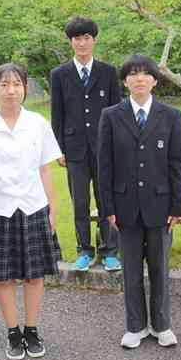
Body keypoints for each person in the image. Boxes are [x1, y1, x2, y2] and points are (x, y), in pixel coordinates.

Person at [0, 63, 62, 360]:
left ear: (25, 88)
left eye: (16, 83)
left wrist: (53, 210)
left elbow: (45, 170)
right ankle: (13, 332)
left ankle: (32, 329)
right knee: (4, 278)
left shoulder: (38, 123)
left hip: (33, 206)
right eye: (4, 84)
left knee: (35, 276)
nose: (11, 90)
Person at [98, 55, 181, 349]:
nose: (139, 78)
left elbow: (176, 165)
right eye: (132, 74)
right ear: (125, 82)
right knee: (131, 270)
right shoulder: (111, 116)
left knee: (160, 269)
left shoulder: (171, 116)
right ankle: (135, 326)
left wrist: (177, 207)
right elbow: (104, 166)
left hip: (160, 206)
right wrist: (107, 207)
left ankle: (162, 325)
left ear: (154, 80)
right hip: (125, 207)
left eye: (145, 73)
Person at [50, 17, 122, 272]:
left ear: (94, 40)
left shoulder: (108, 72)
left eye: (86, 38)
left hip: (105, 148)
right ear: (71, 42)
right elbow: (56, 115)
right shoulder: (59, 75)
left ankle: (110, 251)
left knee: (106, 200)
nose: (82, 43)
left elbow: (117, 111)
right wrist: (59, 149)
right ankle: (83, 250)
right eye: (77, 38)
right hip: (74, 149)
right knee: (79, 201)